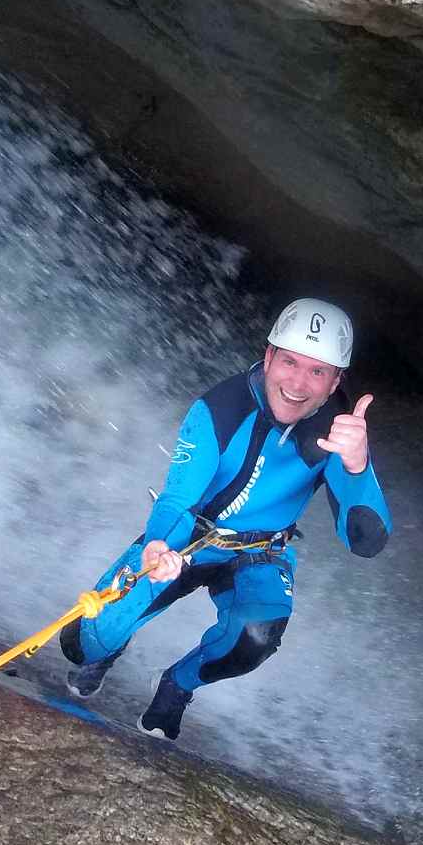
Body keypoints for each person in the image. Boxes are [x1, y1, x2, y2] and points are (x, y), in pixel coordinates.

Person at [60, 298, 392, 741]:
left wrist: (357, 466)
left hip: (259, 553)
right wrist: (159, 545)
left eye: (318, 371)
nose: (298, 383)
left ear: (336, 381)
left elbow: (365, 541)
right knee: (80, 644)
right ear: (269, 355)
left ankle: (178, 685)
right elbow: (180, 495)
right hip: (184, 538)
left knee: (255, 636)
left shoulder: (339, 433)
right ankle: (108, 649)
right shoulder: (221, 408)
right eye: (290, 362)